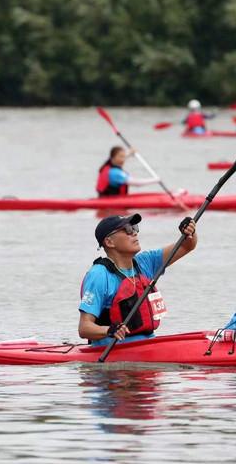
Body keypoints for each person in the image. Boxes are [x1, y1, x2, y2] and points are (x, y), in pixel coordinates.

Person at [78, 213, 197, 346]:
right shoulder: (99, 275)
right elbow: (84, 328)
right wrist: (110, 330)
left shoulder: (145, 262)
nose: (134, 233)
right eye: (128, 230)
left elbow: (186, 246)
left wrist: (190, 232)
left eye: (134, 228)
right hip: (113, 350)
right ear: (109, 242)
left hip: (147, 344)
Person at [95, 146, 161, 197]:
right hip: (110, 201)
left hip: (109, 198)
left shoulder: (109, 165)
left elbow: (121, 158)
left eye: (124, 157)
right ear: (113, 158)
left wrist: (130, 153)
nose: (123, 160)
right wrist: (155, 180)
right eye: (121, 157)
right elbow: (136, 183)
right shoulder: (115, 173)